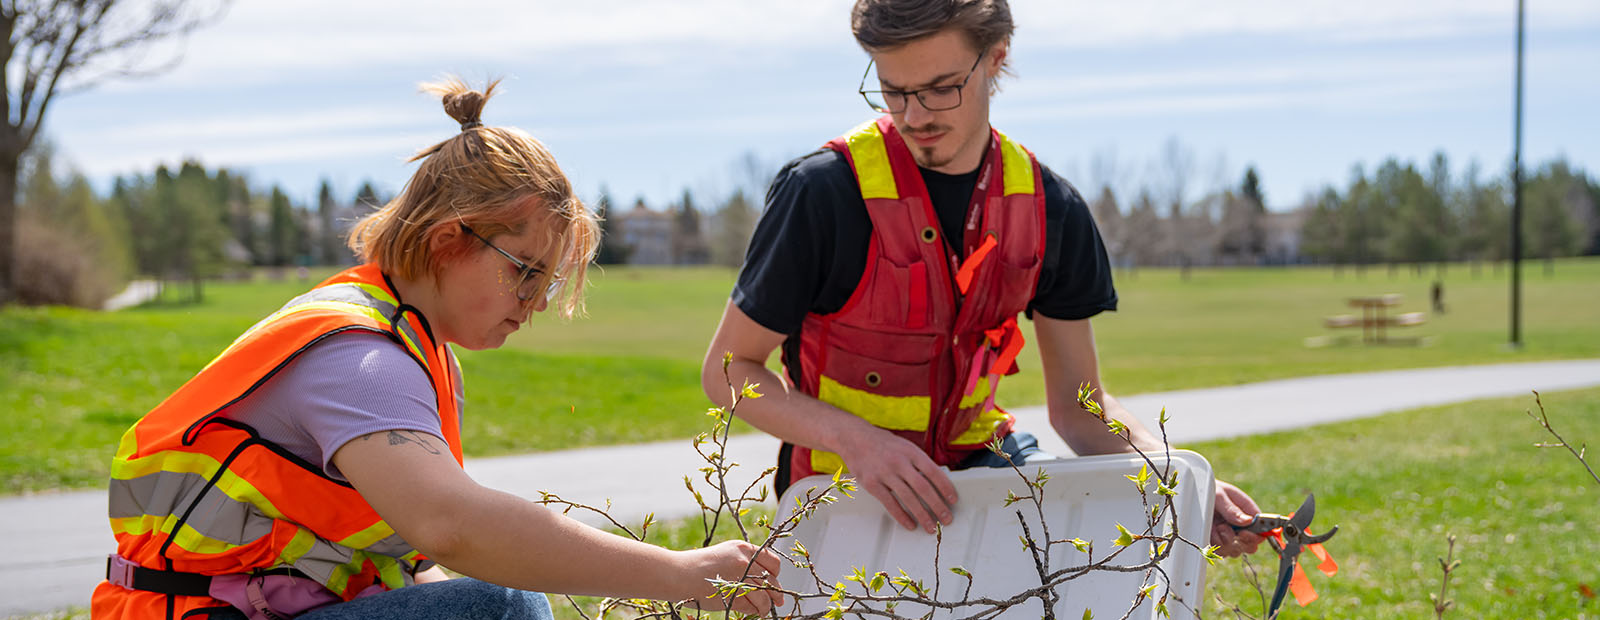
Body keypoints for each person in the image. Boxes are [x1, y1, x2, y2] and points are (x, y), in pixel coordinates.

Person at [93, 78, 781, 620]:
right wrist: (682, 575)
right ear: (447, 239)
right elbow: (452, 525)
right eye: (526, 271)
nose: (537, 303)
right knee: (499, 609)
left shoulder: (409, 343)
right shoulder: (361, 357)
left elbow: (413, 556)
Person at [701, 0, 1264, 558]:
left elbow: (1078, 405)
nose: (915, 116)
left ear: (996, 59)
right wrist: (858, 441)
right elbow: (728, 372)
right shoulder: (821, 193)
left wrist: (1177, 481)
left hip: (983, 479)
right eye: (895, 91)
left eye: (941, 87)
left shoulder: (1052, 208)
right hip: (838, 499)